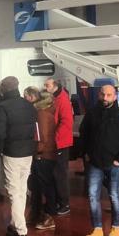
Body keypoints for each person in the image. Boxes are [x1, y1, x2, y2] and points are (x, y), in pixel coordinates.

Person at [78, 84, 119, 236]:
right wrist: (85, 154)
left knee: (114, 195)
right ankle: (97, 229)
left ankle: (116, 227)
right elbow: (84, 135)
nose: (105, 98)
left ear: (115, 97)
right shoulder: (91, 114)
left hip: (114, 164)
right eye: (103, 94)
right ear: (99, 95)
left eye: (109, 95)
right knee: (92, 196)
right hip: (94, 163)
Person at [0, 76, 38, 236]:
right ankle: (14, 223)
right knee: (22, 189)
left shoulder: (2, 107)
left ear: (3, 90)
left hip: (12, 153)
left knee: (13, 191)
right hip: (28, 152)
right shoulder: (29, 105)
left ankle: (20, 229)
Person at [44, 77, 74, 216]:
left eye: (47, 85)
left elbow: (66, 122)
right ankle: (57, 201)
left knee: (60, 174)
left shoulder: (62, 100)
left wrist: (54, 137)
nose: (45, 87)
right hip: (56, 142)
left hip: (60, 143)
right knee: (54, 173)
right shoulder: (56, 98)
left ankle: (64, 203)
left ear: (55, 86)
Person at [30, 90, 59, 231]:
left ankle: (48, 216)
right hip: (49, 153)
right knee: (46, 185)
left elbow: (42, 136)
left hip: (43, 155)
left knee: (44, 186)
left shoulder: (41, 114)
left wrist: (37, 152)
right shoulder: (49, 113)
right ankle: (41, 214)